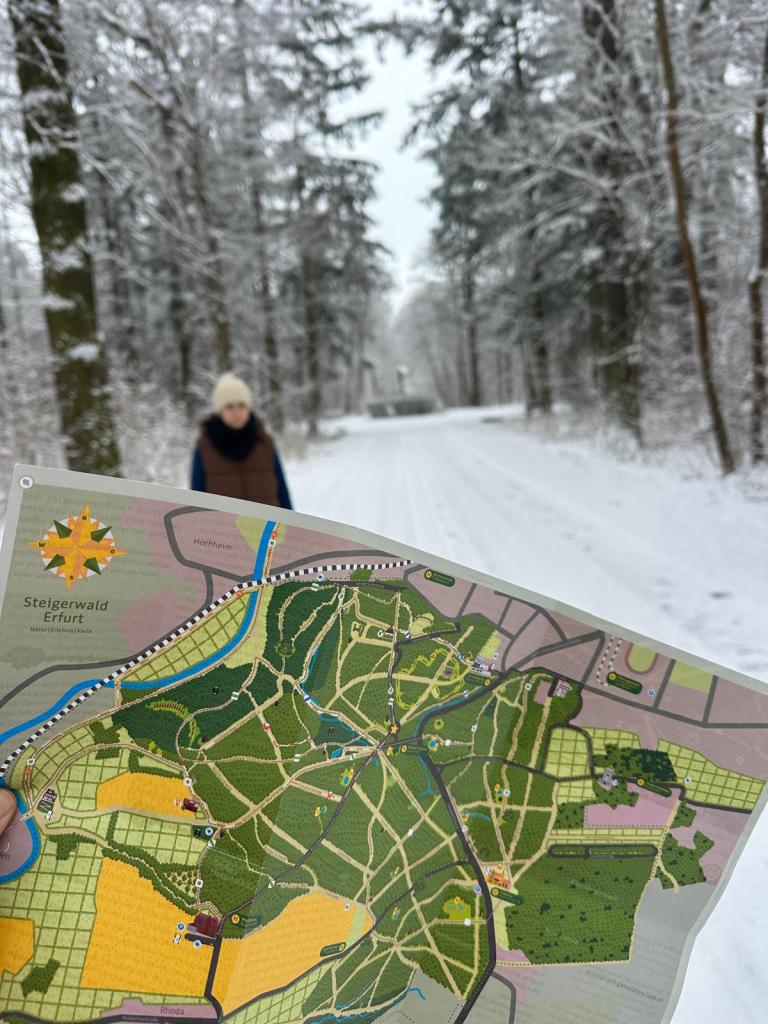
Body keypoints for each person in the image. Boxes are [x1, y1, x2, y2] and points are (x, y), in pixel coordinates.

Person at [191, 373, 292, 508]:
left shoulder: (265, 443)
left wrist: (291, 525)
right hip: (222, 528)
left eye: (241, 405)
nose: (237, 412)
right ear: (219, 411)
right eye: (229, 407)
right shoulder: (204, 447)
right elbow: (196, 499)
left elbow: (282, 492)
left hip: (267, 528)